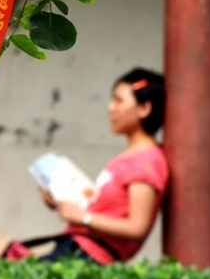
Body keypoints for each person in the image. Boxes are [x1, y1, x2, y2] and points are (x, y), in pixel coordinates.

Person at [33, 68, 169, 264]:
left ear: (144, 108)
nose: (110, 107)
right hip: (76, 249)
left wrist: (83, 218)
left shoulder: (147, 161)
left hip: (89, 257)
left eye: (119, 100)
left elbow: (137, 227)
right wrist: (61, 203)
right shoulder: (130, 158)